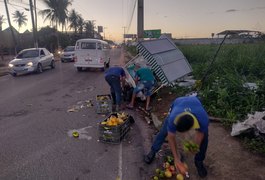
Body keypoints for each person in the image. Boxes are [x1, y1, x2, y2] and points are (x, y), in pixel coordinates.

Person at [144, 96, 209, 178]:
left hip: (194, 103)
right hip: (178, 103)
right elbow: (171, 138)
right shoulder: (172, 118)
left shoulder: (203, 118)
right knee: (164, 131)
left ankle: (199, 161)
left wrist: (195, 147)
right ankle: (153, 150)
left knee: (205, 137)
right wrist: (177, 159)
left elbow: (200, 134)